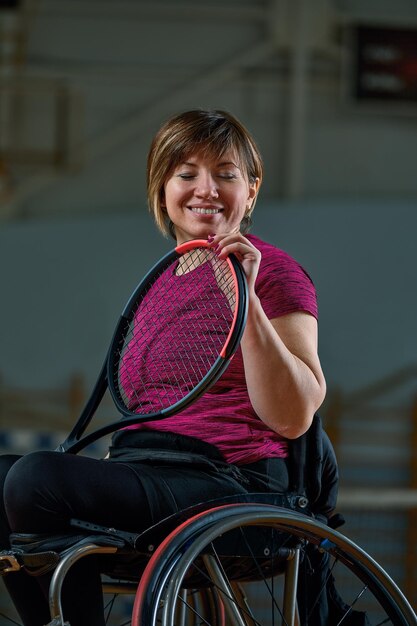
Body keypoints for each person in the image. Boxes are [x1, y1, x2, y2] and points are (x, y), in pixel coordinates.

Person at [0, 109, 339, 626]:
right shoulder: (160, 285)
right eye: (187, 173)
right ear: (162, 189)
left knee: (34, 478)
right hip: (152, 470)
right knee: (3, 477)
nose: (206, 189)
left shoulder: (277, 273)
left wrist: (243, 295)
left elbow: (293, 416)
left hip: (231, 482)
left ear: (250, 190)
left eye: (225, 174)